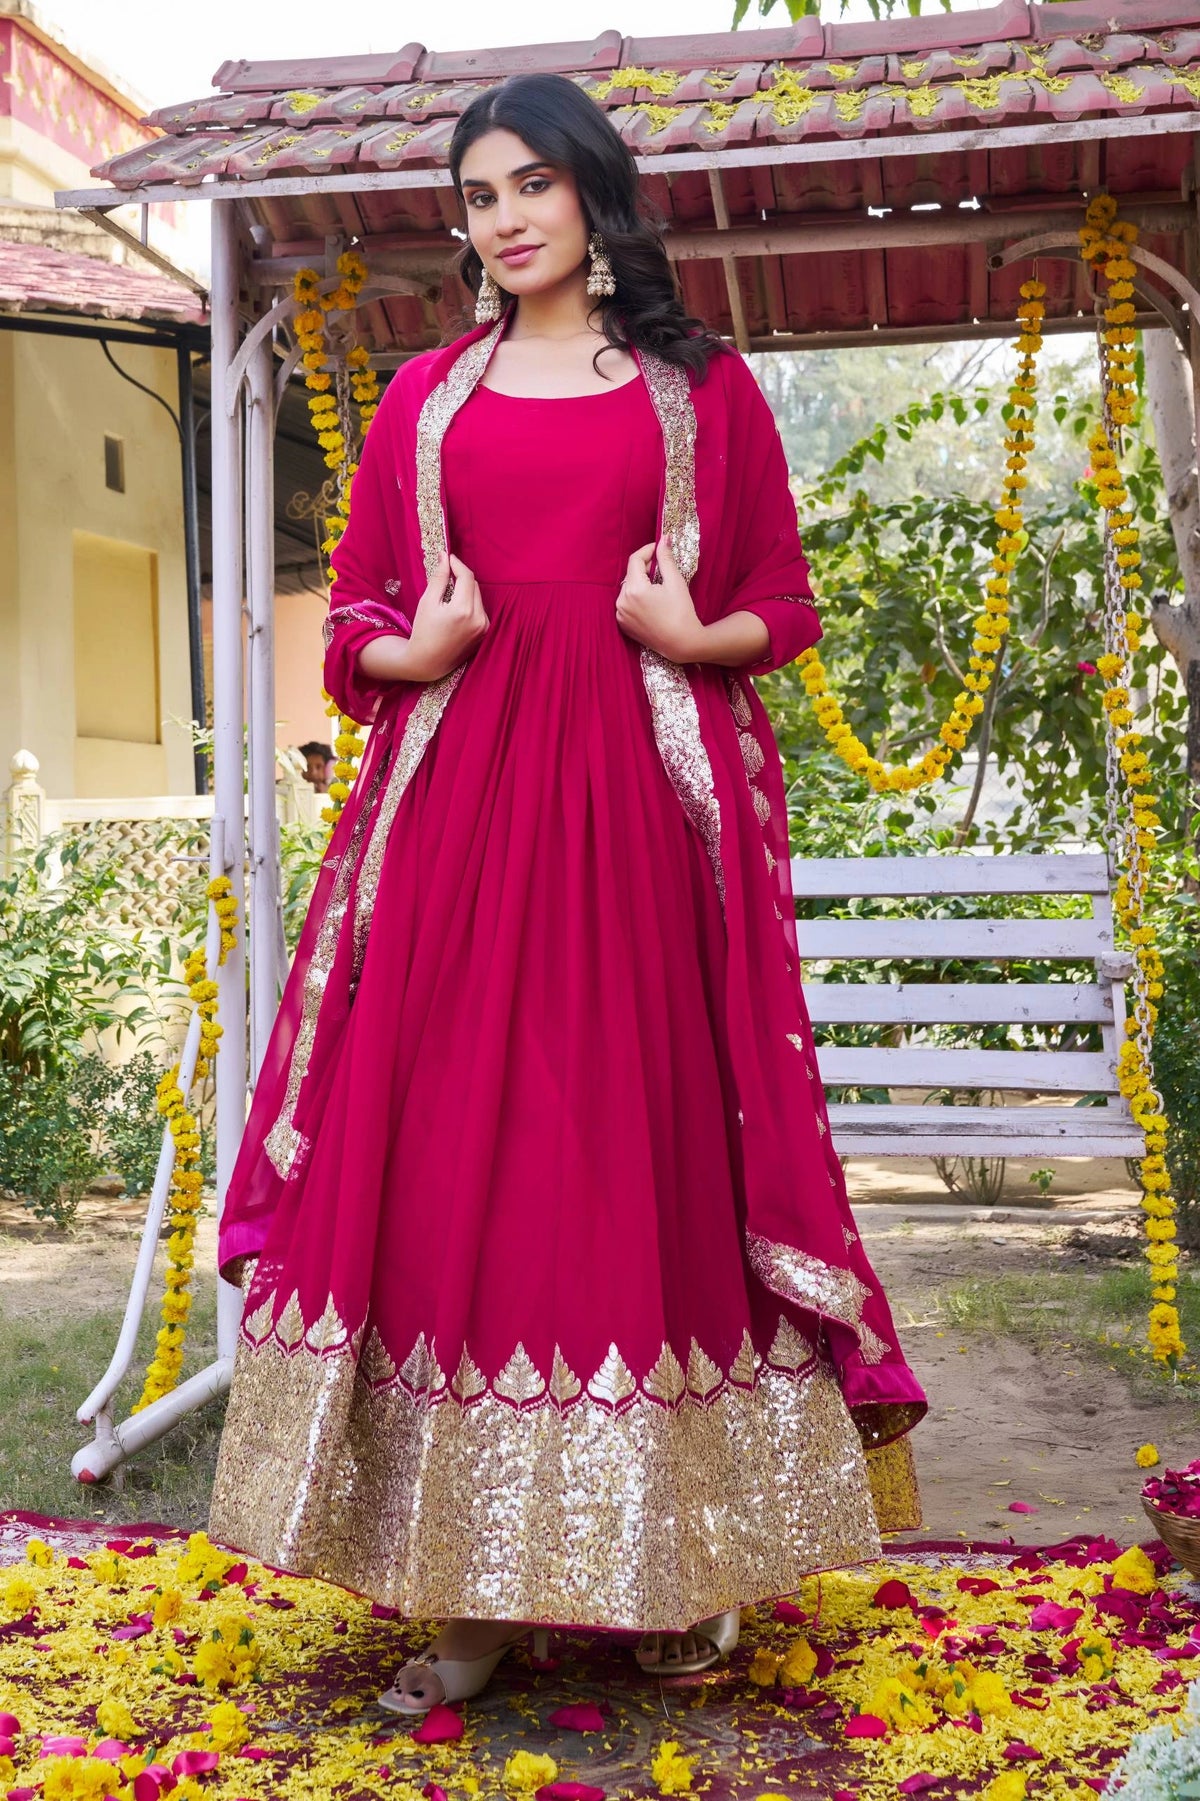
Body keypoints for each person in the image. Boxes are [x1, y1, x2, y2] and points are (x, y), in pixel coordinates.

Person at [209, 70, 926, 1713]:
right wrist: (421, 649)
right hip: (460, 823)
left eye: (532, 182)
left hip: (639, 818)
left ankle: (676, 1567)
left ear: (595, 192)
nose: (506, 217)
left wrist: (689, 633)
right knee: (459, 1153)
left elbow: (779, 600)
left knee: (638, 1143)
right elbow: (355, 621)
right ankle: (462, 1583)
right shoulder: (426, 401)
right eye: (480, 195)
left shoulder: (700, 391)